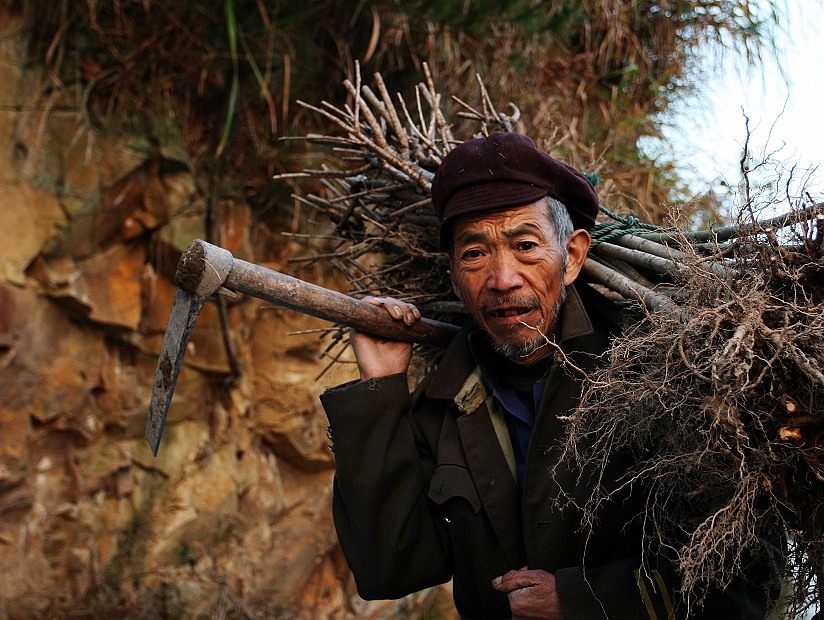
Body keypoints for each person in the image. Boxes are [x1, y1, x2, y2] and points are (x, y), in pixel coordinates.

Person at [320, 132, 777, 619]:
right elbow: (391, 568)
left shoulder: (664, 372)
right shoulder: (444, 404)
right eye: (474, 254)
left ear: (573, 256)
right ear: (454, 276)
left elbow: (750, 575)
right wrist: (380, 389)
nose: (502, 278)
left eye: (526, 245)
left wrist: (584, 601)